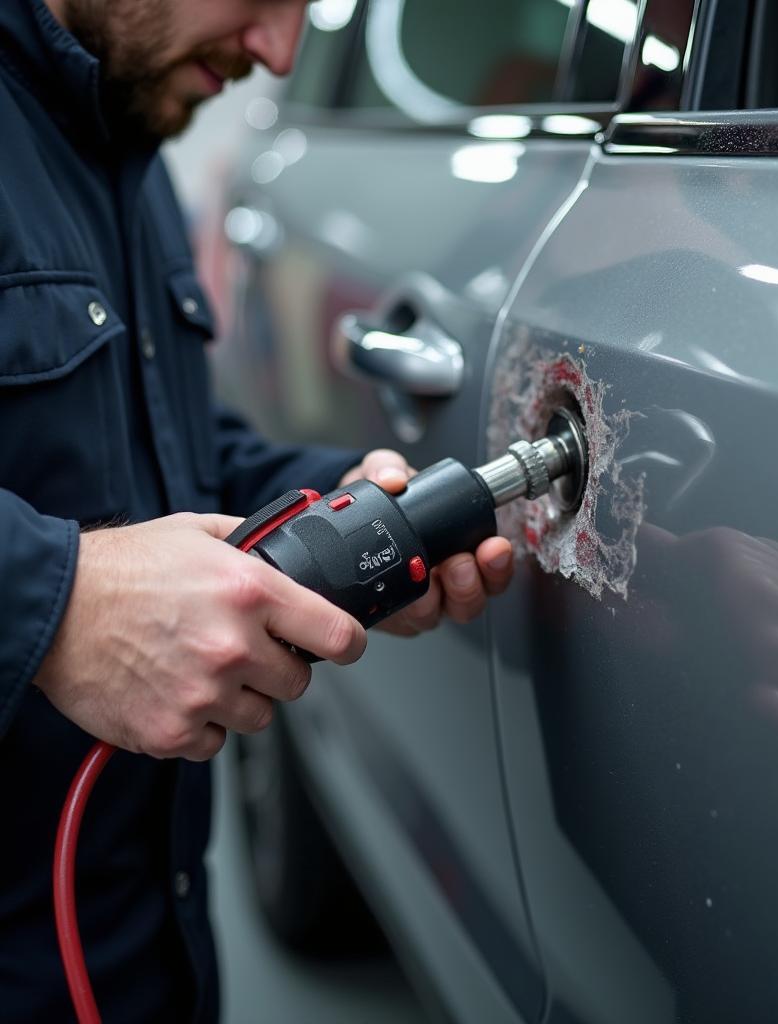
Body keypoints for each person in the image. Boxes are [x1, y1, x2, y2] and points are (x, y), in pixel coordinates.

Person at [0, 1, 515, 1020]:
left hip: (139, 957)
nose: (280, 50)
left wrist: (353, 503)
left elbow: (165, 450)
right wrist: (56, 604)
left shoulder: (120, 136)